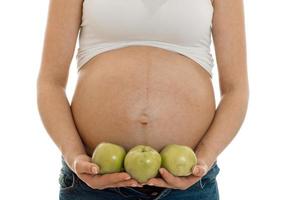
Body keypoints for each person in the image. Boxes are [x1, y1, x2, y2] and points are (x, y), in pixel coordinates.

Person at [37, 0, 249, 199]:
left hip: (189, 183)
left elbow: (235, 89)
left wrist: (206, 156)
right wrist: (74, 155)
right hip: (94, 180)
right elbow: (50, 83)